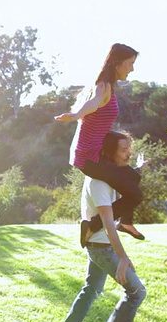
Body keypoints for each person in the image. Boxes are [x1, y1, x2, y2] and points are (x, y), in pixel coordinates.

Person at [56, 131, 146, 322]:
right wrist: (122, 257)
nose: (128, 154)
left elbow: (128, 177)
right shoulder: (99, 183)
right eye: (124, 150)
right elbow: (108, 225)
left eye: (129, 149)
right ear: (109, 153)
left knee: (91, 289)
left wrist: (141, 169)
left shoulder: (111, 177)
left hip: (98, 245)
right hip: (101, 248)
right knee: (137, 292)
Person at [55, 43, 145, 241]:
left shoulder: (108, 85)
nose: (132, 68)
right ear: (117, 63)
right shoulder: (103, 86)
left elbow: (99, 119)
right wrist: (77, 114)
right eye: (129, 63)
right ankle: (91, 226)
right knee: (135, 195)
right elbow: (94, 103)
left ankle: (126, 222)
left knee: (134, 177)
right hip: (89, 159)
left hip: (94, 154)